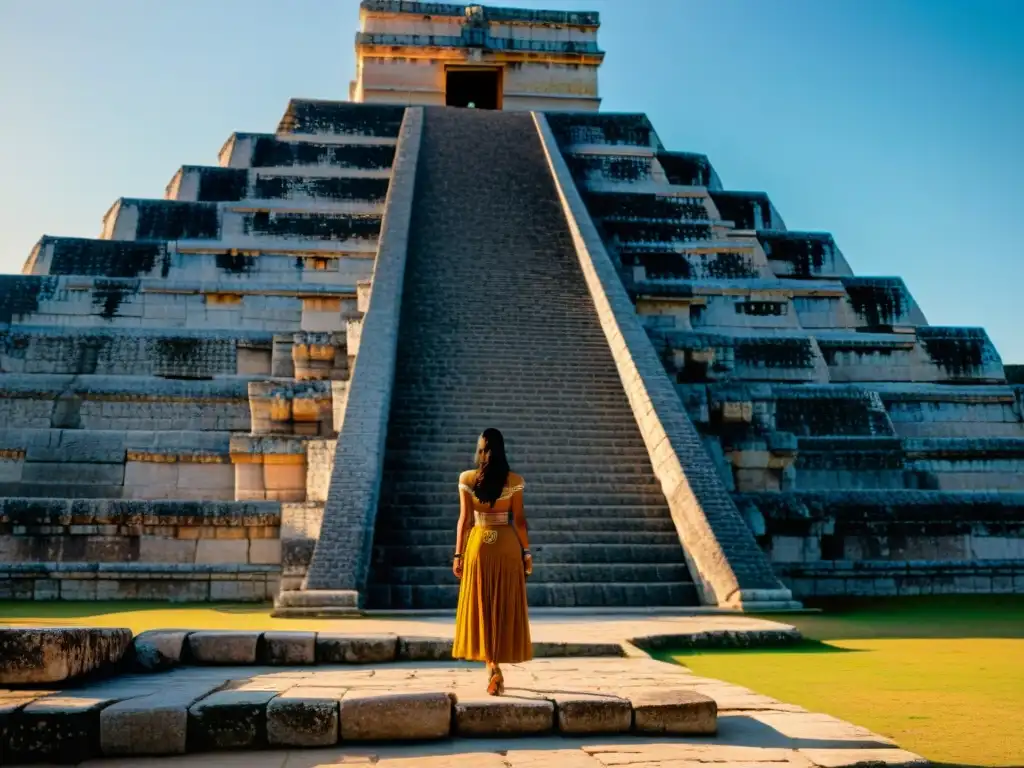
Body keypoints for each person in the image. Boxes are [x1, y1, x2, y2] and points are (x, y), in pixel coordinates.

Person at [451, 427, 533, 695]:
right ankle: (495, 661)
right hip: (507, 545)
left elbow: (464, 521)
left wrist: (458, 554)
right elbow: (519, 521)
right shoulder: (515, 480)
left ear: (482, 450)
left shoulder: (467, 478)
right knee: (504, 605)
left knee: (482, 605)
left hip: (478, 544)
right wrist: (527, 553)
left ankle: (492, 664)